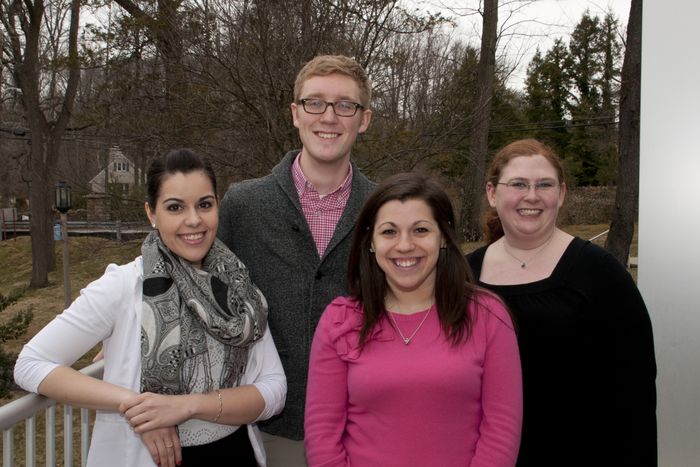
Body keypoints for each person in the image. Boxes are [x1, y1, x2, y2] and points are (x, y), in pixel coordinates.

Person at [14, 149, 286, 467]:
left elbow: (274, 388)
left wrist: (187, 406)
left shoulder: (239, 288)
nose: (194, 220)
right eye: (175, 207)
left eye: (205, 204)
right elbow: (31, 364)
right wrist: (138, 405)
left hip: (235, 454)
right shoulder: (124, 286)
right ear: (151, 214)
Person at [218, 55, 375, 463]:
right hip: (269, 424)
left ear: (364, 119)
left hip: (364, 424)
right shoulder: (244, 204)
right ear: (295, 113)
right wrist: (135, 325)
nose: (329, 116)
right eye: (315, 103)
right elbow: (195, 279)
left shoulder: (385, 209)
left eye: (345, 105)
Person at [304, 172, 523, 467]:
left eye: (420, 230)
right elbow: (322, 436)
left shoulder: (487, 316)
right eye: (389, 232)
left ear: (443, 237)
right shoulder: (340, 321)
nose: (404, 245)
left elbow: (501, 432)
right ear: (370, 242)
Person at [466, 138, 657, 466]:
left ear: (562, 194)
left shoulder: (600, 274)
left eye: (544, 184)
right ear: (492, 193)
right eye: (518, 184)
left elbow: (635, 395)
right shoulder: (463, 277)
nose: (531, 195)